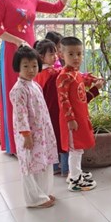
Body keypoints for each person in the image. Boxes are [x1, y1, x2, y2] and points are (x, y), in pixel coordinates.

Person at [0, 0, 78, 154]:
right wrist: (17, 41)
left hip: (32, 52)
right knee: (16, 95)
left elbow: (56, 7)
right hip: (13, 52)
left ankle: (35, 139)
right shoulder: (3, 1)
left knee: (33, 94)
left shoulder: (31, 0)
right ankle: (15, 145)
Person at [9, 46, 58, 208]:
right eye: (25, 66)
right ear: (18, 67)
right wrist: (26, 135)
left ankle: (43, 192)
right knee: (30, 165)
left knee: (42, 161)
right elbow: (20, 115)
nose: (31, 70)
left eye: (34, 66)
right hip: (29, 136)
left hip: (41, 134)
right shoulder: (18, 90)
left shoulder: (34, 85)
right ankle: (34, 199)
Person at [57, 36, 105, 192]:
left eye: (79, 53)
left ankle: (75, 173)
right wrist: (70, 119)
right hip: (73, 120)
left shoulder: (76, 74)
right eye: (71, 54)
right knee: (75, 149)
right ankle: (75, 180)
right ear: (61, 54)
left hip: (80, 118)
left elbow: (81, 95)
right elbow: (63, 100)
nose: (76, 58)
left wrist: (94, 85)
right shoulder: (64, 76)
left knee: (78, 149)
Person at [33, 39, 67, 177]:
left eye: (55, 53)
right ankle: (65, 168)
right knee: (60, 137)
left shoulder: (37, 74)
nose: (55, 57)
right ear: (42, 57)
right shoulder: (53, 73)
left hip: (43, 111)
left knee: (50, 138)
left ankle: (54, 167)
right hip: (55, 110)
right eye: (51, 54)